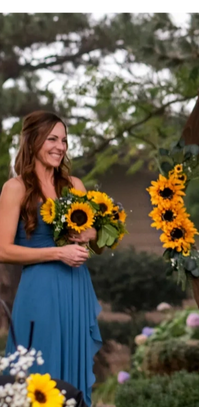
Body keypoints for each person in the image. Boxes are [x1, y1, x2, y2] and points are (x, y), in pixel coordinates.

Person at [0, 111, 103, 406]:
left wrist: (91, 235)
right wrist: (58, 252)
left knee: (72, 380)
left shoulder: (75, 185)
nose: (60, 146)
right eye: (52, 139)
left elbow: (95, 239)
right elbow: (3, 250)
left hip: (76, 288)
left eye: (65, 140)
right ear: (33, 142)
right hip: (40, 291)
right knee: (39, 376)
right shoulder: (15, 188)